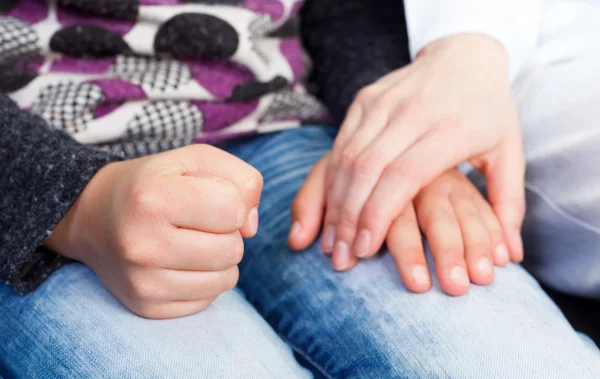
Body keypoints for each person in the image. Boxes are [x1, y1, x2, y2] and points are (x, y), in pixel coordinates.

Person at [1, 1, 600, 378]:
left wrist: (397, 141)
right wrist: (74, 205)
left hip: (296, 133)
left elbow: (346, 13)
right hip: (41, 184)